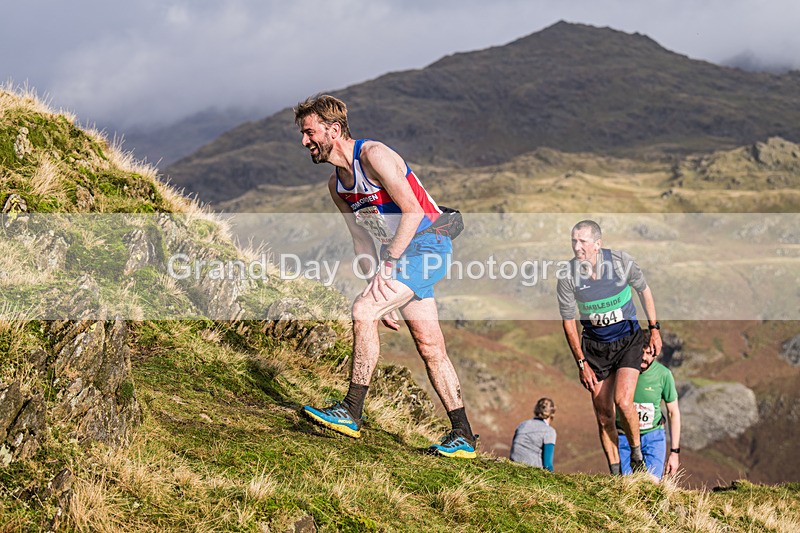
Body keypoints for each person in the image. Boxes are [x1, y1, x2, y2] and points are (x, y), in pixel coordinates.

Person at [293, 94, 477, 458]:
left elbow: (410, 211)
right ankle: (464, 436)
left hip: (428, 245)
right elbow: (361, 240)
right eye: (303, 134)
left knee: (362, 312)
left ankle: (350, 411)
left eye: (310, 132)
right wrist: (377, 287)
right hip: (403, 259)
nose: (305, 142)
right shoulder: (337, 185)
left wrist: (387, 267)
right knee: (429, 346)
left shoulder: (373, 155)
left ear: (333, 129)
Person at [556, 220, 662, 475]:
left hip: (628, 340)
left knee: (623, 401)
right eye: (573, 241)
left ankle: (636, 456)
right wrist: (581, 363)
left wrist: (655, 328)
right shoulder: (568, 276)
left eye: (582, 241)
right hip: (595, 349)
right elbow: (569, 324)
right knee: (604, 415)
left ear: (597, 244)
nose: (577, 246)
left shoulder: (620, 263)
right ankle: (616, 473)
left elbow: (644, 291)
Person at [618, 337, 681, 481]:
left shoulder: (664, 375)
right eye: (641, 352)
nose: (644, 358)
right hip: (624, 437)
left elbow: (673, 412)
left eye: (649, 353)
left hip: (653, 437)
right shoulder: (621, 371)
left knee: (652, 485)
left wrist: (674, 452)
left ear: (656, 352)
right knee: (627, 486)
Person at [510, 398, 557, 471]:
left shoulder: (522, 425)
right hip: (532, 471)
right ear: (552, 413)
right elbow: (548, 465)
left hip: (512, 467)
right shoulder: (549, 431)